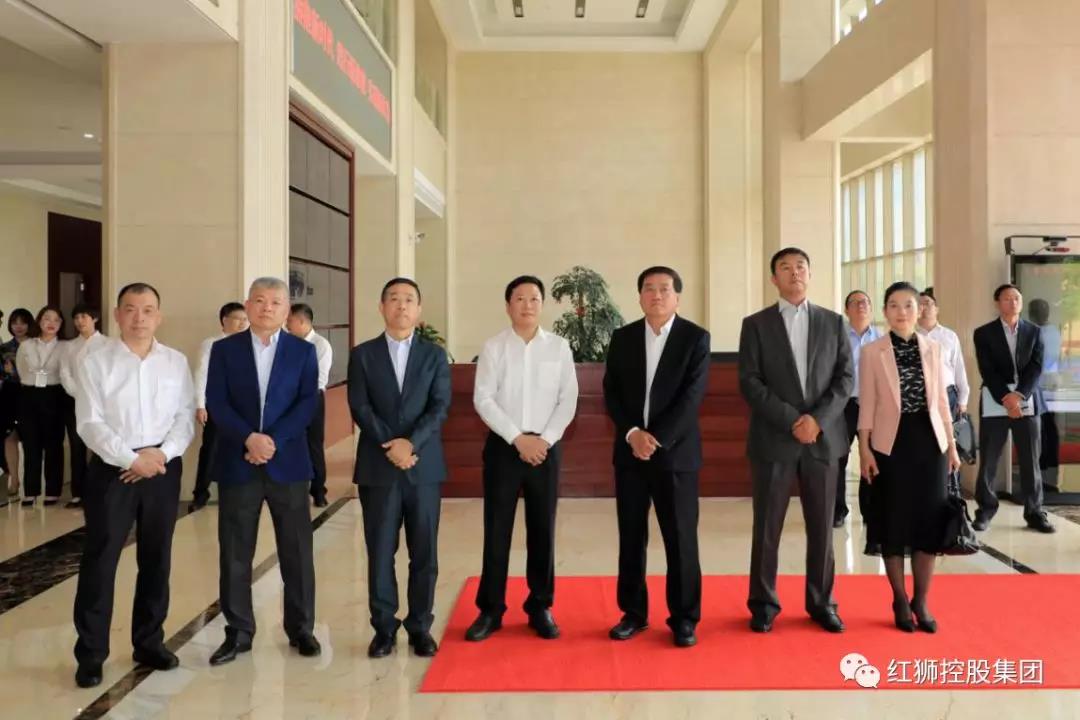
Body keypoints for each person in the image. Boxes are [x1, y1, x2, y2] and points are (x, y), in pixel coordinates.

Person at [72, 282, 195, 688]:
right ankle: (91, 654)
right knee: (101, 559)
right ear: (116, 314)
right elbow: (89, 423)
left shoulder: (175, 361)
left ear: (159, 316)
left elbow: (184, 417)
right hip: (113, 471)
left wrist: (161, 455)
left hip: (162, 469)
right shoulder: (95, 362)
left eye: (147, 310)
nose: (139, 318)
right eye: (130, 309)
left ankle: (149, 642)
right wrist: (131, 459)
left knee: (157, 558)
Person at [206, 277, 322, 666]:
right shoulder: (224, 350)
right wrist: (248, 439)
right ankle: (238, 632)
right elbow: (216, 401)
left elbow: (307, 403)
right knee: (235, 552)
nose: (267, 307)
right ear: (247, 305)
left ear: (287, 309)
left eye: (275, 302)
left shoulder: (303, 352)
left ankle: (301, 629)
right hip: (238, 462)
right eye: (259, 300)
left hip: (288, 463)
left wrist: (271, 441)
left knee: (297, 551)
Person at [738, 247, 852, 634]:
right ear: (774, 279)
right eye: (785, 268)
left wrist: (817, 420)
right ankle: (763, 604)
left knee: (822, 528)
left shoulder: (833, 323)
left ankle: (822, 603)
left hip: (822, 440)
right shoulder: (756, 325)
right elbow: (750, 381)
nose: (794, 273)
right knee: (767, 527)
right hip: (774, 439)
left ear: (810, 274)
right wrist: (792, 420)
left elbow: (845, 379)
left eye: (801, 266)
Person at [466, 276, 579, 642]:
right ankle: (491, 609)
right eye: (519, 298)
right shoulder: (494, 347)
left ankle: (540, 605)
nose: (527, 305)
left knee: (543, 529)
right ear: (508, 305)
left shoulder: (558, 347)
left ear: (542, 304)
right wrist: (517, 438)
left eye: (534, 298)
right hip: (505, 447)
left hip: (545, 448)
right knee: (497, 529)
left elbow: (568, 398)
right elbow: (483, 399)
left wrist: (543, 440)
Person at [603, 266, 710, 648]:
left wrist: (657, 438)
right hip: (630, 454)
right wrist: (633, 433)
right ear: (640, 297)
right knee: (632, 537)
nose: (657, 295)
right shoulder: (623, 338)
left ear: (677, 297)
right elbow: (612, 392)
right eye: (649, 288)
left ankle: (684, 618)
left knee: (680, 539)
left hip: (676, 455)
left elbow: (692, 397)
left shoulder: (695, 338)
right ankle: (633, 613)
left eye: (665, 289)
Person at [348, 278, 451, 659]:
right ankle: (384, 629)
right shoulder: (363, 354)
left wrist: (411, 444)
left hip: (423, 467)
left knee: (424, 553)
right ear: (382, 307)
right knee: (380, 551)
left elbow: (440, 406)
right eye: (394, 299)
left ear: (419, 309)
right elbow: (360, 406)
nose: (401, 306)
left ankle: (420, 627)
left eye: (409, 299)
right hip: (379, 467)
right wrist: (391, 445)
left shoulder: (434, 355)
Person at [858, 282, 961, 634]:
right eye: (893, 305)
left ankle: (922, 600)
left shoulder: (934, 348)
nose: (901, 312)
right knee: (893, 519)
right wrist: (864, 448)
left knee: (928, 521)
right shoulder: (872, 352)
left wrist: (951, 445)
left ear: (919, 310)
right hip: (890, 445)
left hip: (930, 444)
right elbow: (867, 403)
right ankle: (900, 599)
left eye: (908, 305)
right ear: (884, 312)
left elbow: (942, 402)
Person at [972, 284, 1054, 533]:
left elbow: (1036, 367)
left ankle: (1034, 512)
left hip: (1027, 399)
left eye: (1016, 298)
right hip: (995, 401)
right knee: (989, 460)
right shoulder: (983, 333)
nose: (1013, 302)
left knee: (1030, 460)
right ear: (997, 303)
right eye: (1007, 298)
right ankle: (985, 510)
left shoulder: (1034, 331)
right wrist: (1006, 398)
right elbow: (987, 369)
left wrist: (1019, 395)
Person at [189, 302, 248, 512]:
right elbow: (201, 373)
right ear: (224, 320)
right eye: (238, 319)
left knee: (242, 448)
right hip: (217, 406)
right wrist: (200, 405)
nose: (242, 323)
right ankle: (200, 494)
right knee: (211, 448)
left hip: (243, 407)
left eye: (245, 319)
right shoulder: (211, 344)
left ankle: (240, 492)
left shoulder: (248, 344)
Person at [835, 290, 880, 528]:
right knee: (837, 458)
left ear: (871, 308)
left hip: (873, 407)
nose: (861, 305)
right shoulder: (836, 338)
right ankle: (837, 510)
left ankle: (870, 512)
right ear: (847, 310)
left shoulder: (882, 338)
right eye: (855, 302)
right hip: (843, 407)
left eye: (865, 302)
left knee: (871, 457)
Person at [16, 306, 68, 507]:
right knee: (30, 443)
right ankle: (30, 491)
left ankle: (53, 491)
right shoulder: (27, 345)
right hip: (29, 395)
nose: (51, 323)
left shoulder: (65, 347)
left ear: (61, 324)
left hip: (55, 394)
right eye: (47, 318)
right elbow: (21, 370)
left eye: (56, 320)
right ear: (39, 321)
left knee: (53, 444)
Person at [59, 303, 107, 509]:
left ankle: (100, 490)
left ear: (94, 318)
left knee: (100, 446)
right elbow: (64, 374)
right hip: (75, 401)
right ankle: (78, 493)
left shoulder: (107, 344)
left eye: (84, 317)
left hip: (102, 403)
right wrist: (80, 395)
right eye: (76, 317)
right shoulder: (69, 346)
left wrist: (94, 396)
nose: (79, 321)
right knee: (77, 447)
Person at [286, 303, 333, 507]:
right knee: (291, 444)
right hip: (289, 400)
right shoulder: (288, 344)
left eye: (290, 321)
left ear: (302, 321)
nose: (287, 325)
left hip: (312, 399)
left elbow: (318, 378)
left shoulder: (320, 345)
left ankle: (318, 490)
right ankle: (295, 488)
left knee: (313, 445)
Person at [917, 288, 970, 419]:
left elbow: (959, 368)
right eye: (919, 304)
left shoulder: (949, 336)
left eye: (927, 303)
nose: (924, 307)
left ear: (937, 309)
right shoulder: (910, 336)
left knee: (947, 432)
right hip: (918, 397)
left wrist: (963, 400)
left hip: (947, 395)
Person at [1028, 298, 1061, 493]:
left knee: (1043, 424)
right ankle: (1049, 461)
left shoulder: (1041, 332)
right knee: (1048, 423)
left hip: (1042, 384)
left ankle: (1045, 461)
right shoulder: (1052, 331)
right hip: (1046, 383)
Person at [1, 308, 33, 502]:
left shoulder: (36, 345)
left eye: (22, 322)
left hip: (30, 393)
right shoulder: (4, 348)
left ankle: (31, 481)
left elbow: (42, 371)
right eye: (15, 322)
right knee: (9, 436)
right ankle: (14, 479)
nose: (18, 326)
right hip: (9, 394)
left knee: (30, 438)